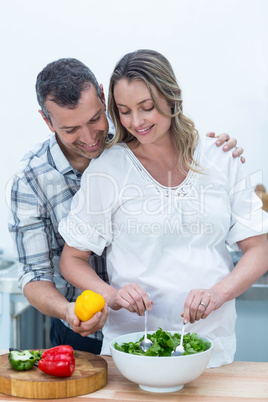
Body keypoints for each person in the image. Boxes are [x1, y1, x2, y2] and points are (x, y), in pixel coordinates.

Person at [8, 57, 244, 354]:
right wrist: (72, 310)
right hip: (81, 323)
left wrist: (215, 150)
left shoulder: (132, 142)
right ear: (47, 121)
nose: (89, 137)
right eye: (71, 130)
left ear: (104, 100)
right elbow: (35, 274)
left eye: (95, 119)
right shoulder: (31, 179)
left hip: (149, 327)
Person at [58, 50, 268, 367]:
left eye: (147, 107)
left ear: (172, 99)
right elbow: (72, 259)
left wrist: (218, 294)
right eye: (125, 111)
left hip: (210, 347)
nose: (136, 122)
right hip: (130, 351)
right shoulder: (107, 169)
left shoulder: (220, 157)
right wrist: (112, 295)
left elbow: (258, 249)